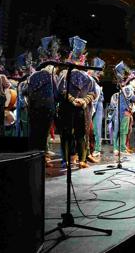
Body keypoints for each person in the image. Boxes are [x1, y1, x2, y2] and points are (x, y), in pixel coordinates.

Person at [56, 36, 96, 169]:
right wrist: (76, 100)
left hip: (78, 107)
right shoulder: (65, 74)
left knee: (79, 134)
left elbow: (92, 93)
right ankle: (70, 160)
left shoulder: (86, 77)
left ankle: (81, 159)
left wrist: (82, 101)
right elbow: (61, 90)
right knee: (69, 134)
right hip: (69, 107)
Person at [27, 36, 60, 164]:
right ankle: (42, 159)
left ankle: (34, 157)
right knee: (42, 135)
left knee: (35, 134)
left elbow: (27, 91)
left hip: (35, 108)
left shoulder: (34, 74)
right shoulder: (50, 74)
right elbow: (56, 92)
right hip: (46, 108)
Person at [88, 57, 105, 162]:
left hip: (96, 106)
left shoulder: (95, 84)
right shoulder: (92, 82)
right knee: (93, 129)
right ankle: (93, 148)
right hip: (94, 105)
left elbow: (96, 99)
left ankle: (97, 149)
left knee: (96, 128)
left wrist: (91, 112)